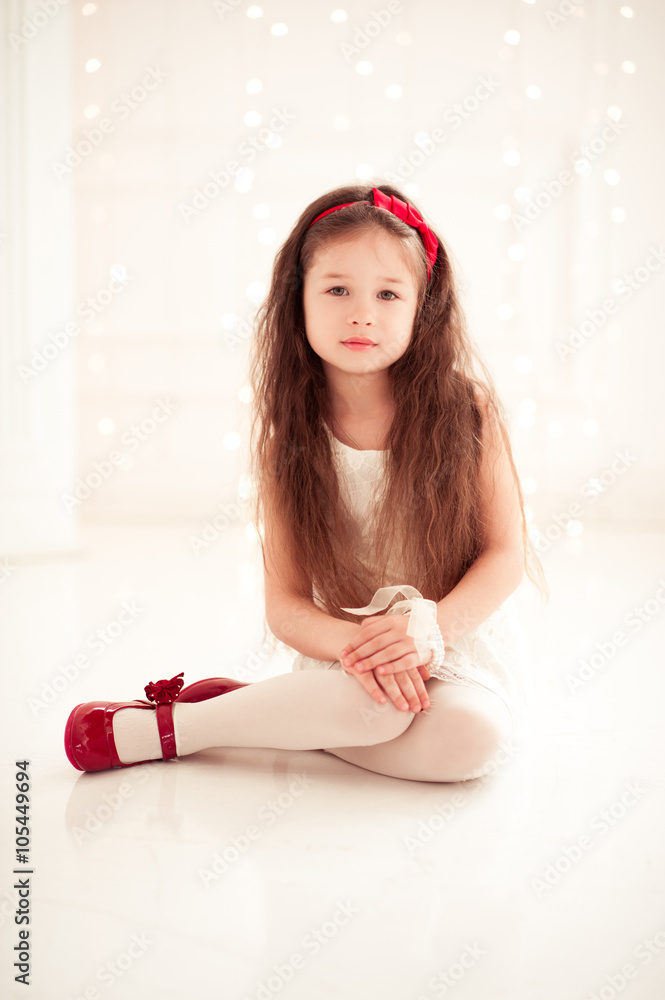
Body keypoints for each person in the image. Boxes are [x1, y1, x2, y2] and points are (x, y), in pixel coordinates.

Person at [64, 183, 548, 783]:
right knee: (374, 710)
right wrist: (363, 650)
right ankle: (169, 730)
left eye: (389, 293)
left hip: (454, 638)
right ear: (299, 301)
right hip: (348, 656)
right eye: (337, 289)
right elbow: (287, 607)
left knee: (468, 739)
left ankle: (262, 716)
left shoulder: (466, 410)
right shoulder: (289, 442)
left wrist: (428, 632)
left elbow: (505, 554)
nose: (362, 312)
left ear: (423, 308)